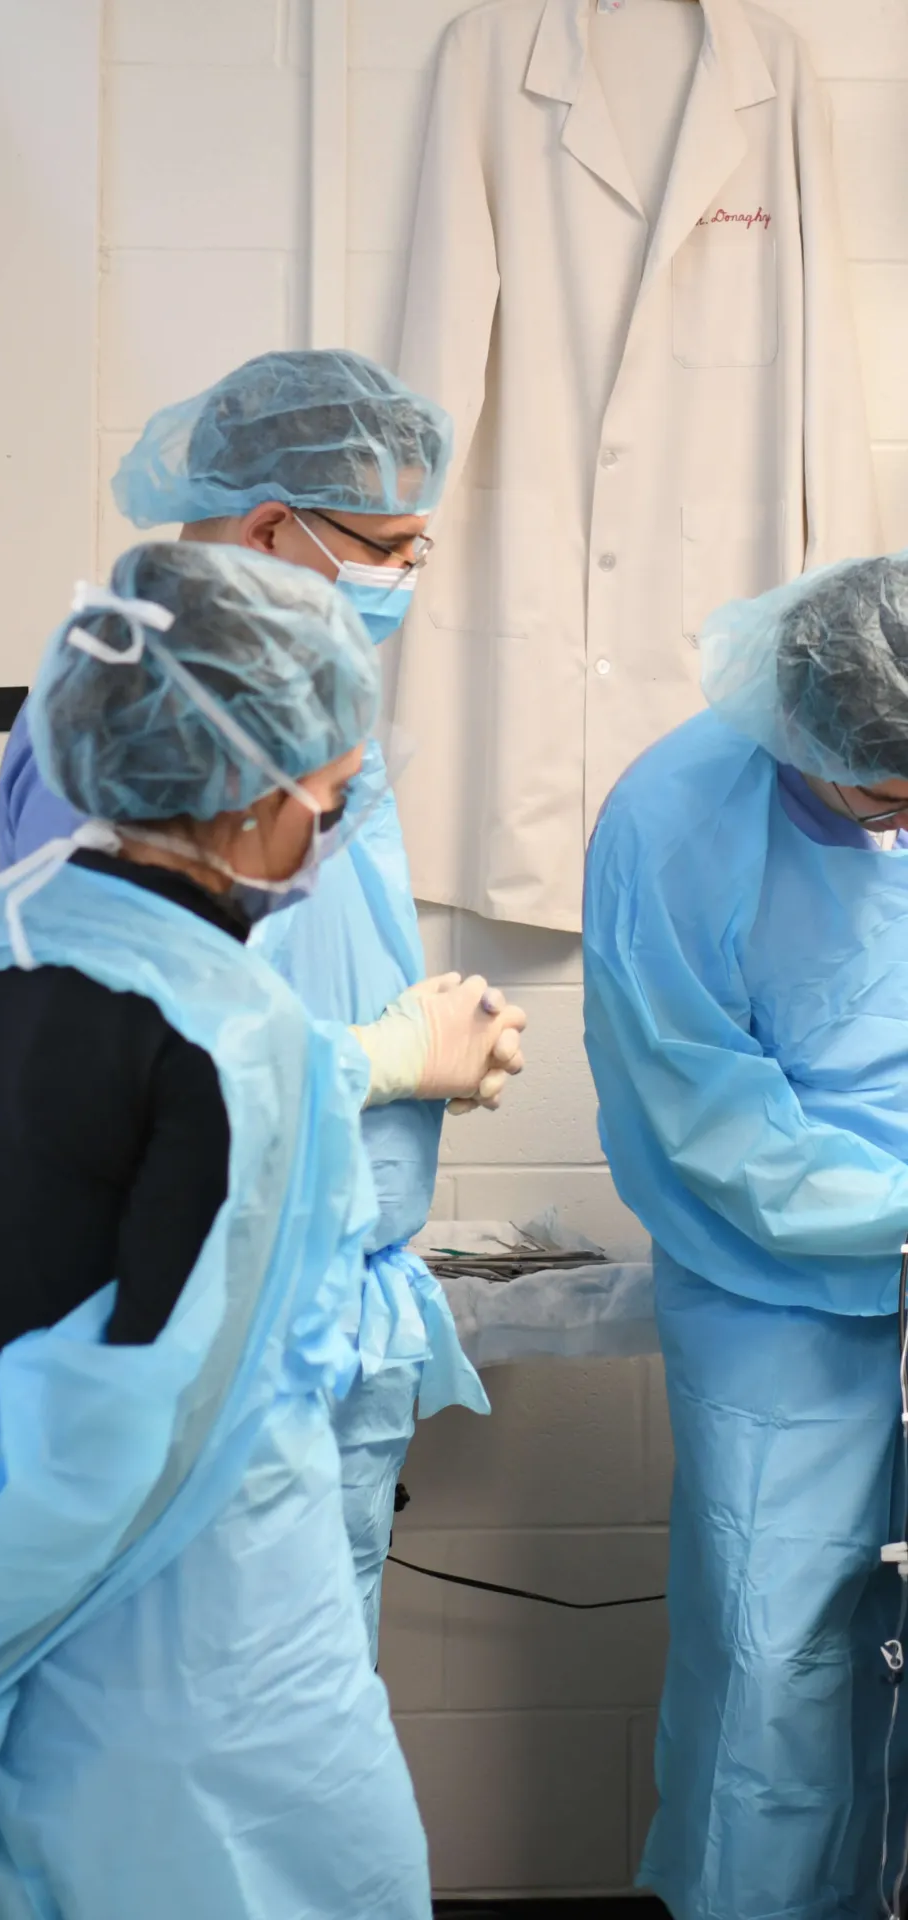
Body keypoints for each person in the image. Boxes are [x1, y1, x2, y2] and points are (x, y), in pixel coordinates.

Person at [0, 541, 525, 1920]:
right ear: (248, 799)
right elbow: (129, 1429)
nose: (331, 827)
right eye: (331, 796)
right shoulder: (245, 1040)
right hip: (206, 1673)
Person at [0, 348, 502, 1654]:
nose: (402, 580)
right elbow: (126, 1071)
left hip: (309, 1282)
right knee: (237, 1729)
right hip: (217, 1313)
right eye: (388, 546)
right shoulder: (142, 718)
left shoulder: (282, 694)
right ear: (272, 525)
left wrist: (427, 1041)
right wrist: (383, 1062)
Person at [583, 552, 908, 1920]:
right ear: (803, 729)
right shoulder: (673, 818)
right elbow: (703, 1115)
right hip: (780, 1295)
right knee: (779, 1651)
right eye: (883, 794)